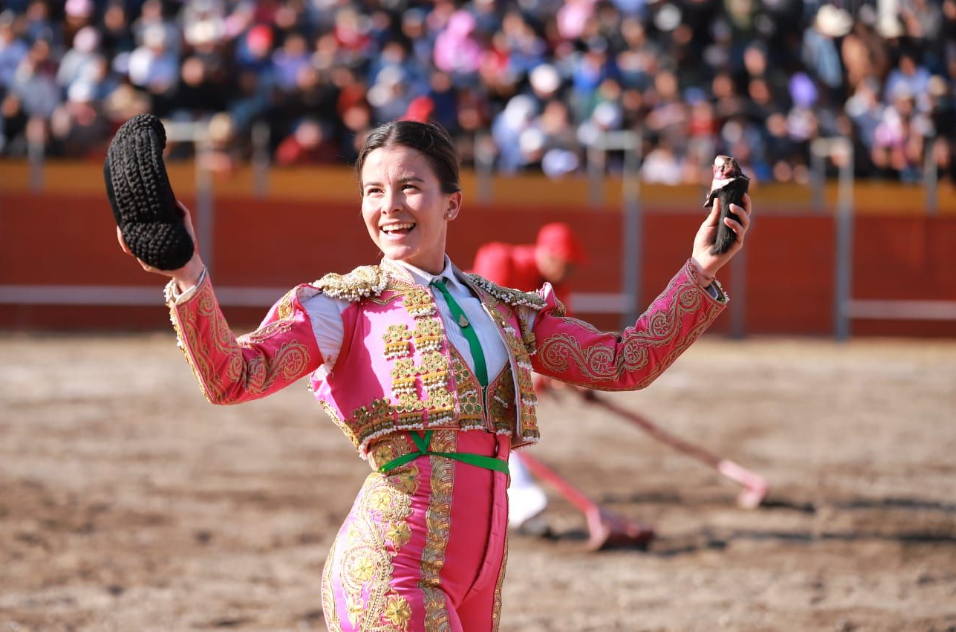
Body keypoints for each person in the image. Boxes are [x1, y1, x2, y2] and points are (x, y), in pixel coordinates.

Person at [117, 120, 751, 632]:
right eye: (372, 191)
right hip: (390, 568)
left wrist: (701, 268)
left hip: (480, 578)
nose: (389, 207)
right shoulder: (340, 308)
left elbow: (623, 362)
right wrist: (186, 272)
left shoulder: (504, 308)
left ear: (452, 202)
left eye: (409, 187)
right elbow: (233, 376)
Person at [471, 222, 587, 530]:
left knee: (493, 428)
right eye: (567, 264)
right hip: (466, 353)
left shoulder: (554, 285)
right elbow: (488, 326)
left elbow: (561, 339)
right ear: (549, 255)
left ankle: (514, 501)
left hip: (499, 365)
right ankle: (520, 501)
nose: (571, 272)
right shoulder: (500, 260)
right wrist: (534, 372)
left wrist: (569, 376)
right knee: (497, 425)